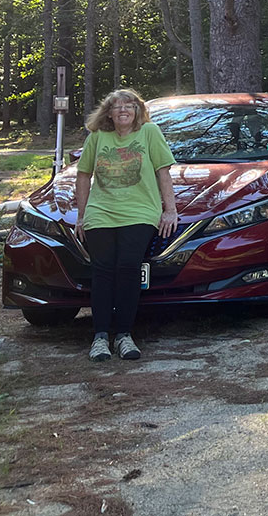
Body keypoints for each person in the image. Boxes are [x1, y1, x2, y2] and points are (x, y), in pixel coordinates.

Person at [74, 89, 178, 361]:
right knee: (103, 269)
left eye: (129, 106)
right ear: (108, 112)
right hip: (101, 212)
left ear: (137, 111)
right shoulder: (97, 137)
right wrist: (82, 216)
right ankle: (99, 338)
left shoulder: (150, 132)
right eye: (117, 106)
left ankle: (123, 335)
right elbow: (83, 175)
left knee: (128, 267)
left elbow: (163, 171)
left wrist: (170, 210)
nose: (123, 110)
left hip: (140, 211)